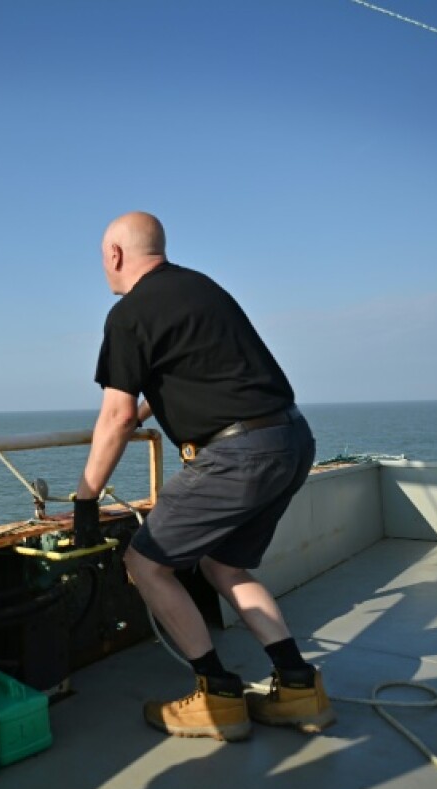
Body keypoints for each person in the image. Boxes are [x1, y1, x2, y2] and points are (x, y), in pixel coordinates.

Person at [72, 211, 332, 742]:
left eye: (103, 258)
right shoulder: (202, 288)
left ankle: (217, 695)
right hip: (290, 439)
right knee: (226, 567)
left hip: (236, 457)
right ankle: (299, 686)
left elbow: (117, 416)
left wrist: (84, 503)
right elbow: (203, 374)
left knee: (145, 564)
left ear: (116, 255)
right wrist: (153, 411)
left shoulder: (128, 315)